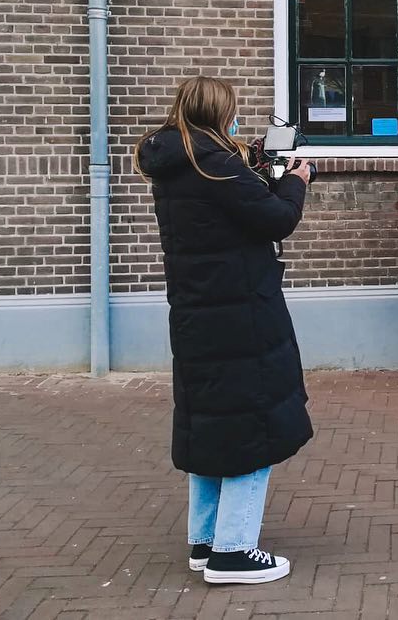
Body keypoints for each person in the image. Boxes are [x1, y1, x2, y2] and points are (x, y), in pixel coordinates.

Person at [134, 76, 314, 584]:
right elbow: (275, 219)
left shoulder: (177, 167)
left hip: (196, 316)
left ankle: (205, 540)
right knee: (251, 425)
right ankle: (234, 552)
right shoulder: (217, 168)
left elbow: (229, 215)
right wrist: (295, 178)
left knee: (213, 422)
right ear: (219, 114)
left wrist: (255, 169)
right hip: (240, 316)